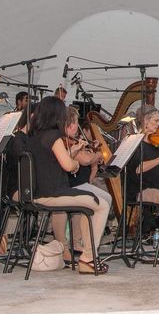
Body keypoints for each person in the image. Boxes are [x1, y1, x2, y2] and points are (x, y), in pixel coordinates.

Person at [25, 96, 111, 274]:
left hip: (38, 191)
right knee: (101, 205)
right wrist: (76, 164)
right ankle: (88, 257)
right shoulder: (54, 136)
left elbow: (53, 162)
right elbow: (68, 166)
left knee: (95, 203)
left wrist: (71, 154)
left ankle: (87, 252)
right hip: (53, 193)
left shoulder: (34, 136)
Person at [52, 106, 113, 266]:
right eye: (75, 123)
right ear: (68, 124)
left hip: (78, 182)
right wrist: (97, 155)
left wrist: (90, 151)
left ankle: (84, 243)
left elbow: (87, 159)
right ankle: (66, 246)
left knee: (106, 197)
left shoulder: (71, 140)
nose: (75, 127)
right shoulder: (59, 141)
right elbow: (84, 160)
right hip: (67, 184)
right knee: (100, 199)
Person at [124, 105, 159, 260]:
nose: (158, 125)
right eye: (155, 121)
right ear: (145, 121)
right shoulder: (134, 143)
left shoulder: (158, 142)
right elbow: (138, 169)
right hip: (141, 189)